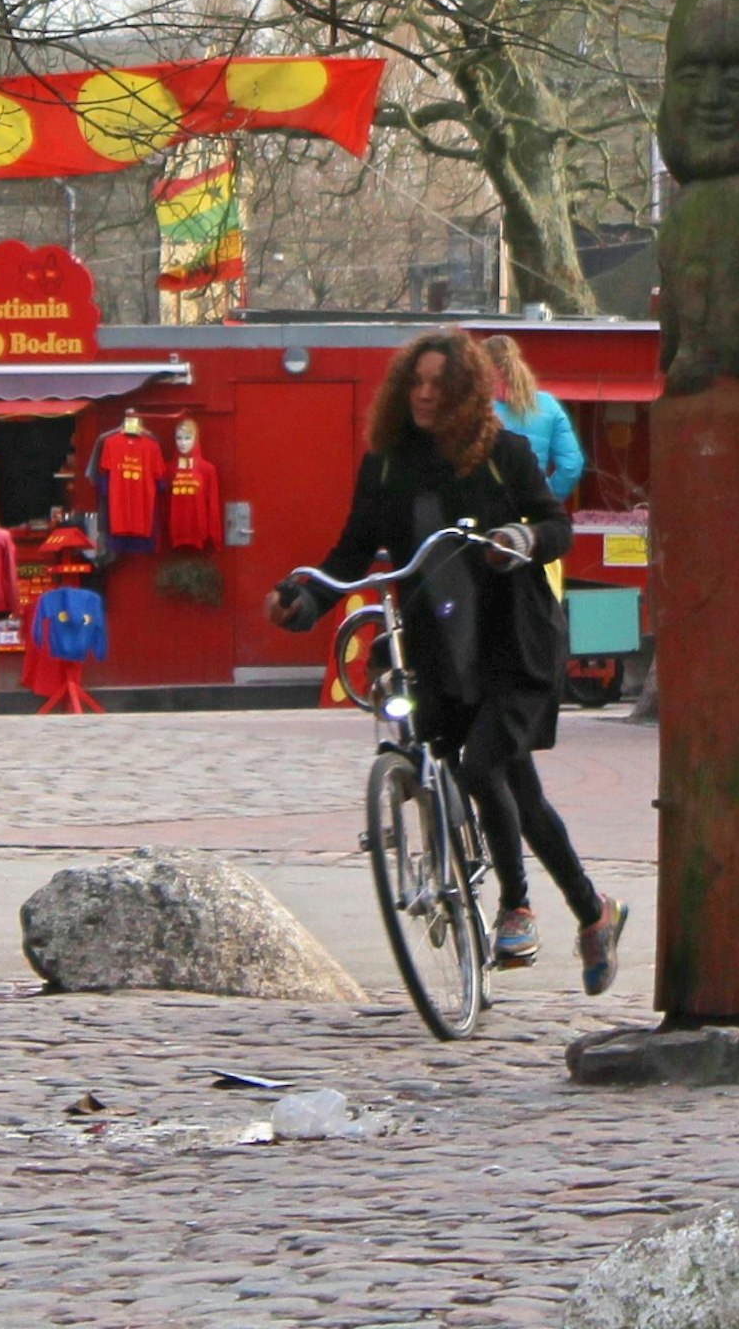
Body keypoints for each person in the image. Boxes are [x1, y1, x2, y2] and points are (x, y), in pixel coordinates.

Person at [265, 330, 628, 991]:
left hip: (512, 644)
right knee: (516, 791)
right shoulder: (383, 464)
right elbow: (350, 552)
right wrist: (306, 597)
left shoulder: (501, 454)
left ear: (465, 394)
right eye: (416, 383)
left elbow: (556, 525)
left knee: (485, 763)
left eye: (439, 385)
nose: (425, 395)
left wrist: (520, 537)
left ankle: (516, 908)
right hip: (436, 645)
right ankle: (592, 911)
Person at [482, 335, 588, 503]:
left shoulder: (477, 407)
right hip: (533, 512)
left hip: (488, 510)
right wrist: (547, 498)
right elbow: (571, 465)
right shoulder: (548, 404)